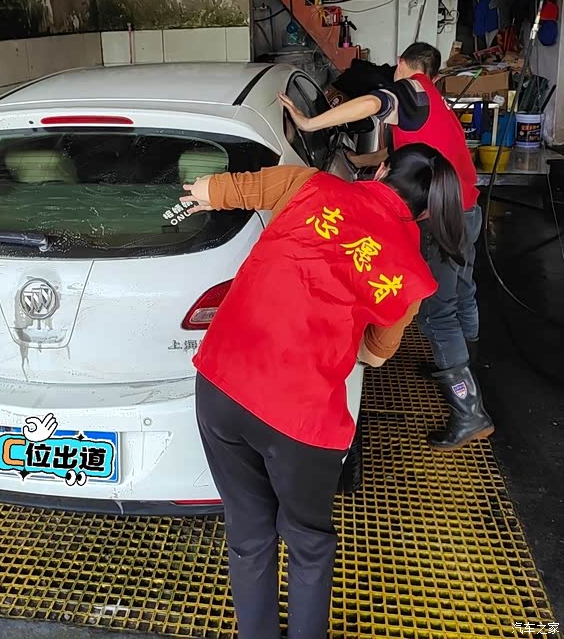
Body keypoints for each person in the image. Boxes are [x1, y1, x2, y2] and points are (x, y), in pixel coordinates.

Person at [181, 144, 464, 639]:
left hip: (222, 386)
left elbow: (215, 189)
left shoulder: (308, 184)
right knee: (308, 543)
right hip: (300, 419)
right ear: (425, 213)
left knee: (248, 532)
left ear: (381, 169)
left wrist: (199, 193)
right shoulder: (410, 276)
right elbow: (377, 354)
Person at [279, 42, 493, 450]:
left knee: (437, 315)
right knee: (463, 292)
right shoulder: (435, 102)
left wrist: (309, 124)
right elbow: (400, 153)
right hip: (466, 210)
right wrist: (362, 163)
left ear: (402, 65)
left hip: (441, 218)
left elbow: (373, 102)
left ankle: (470, 411)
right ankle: (464, 363)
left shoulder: (412, 89)